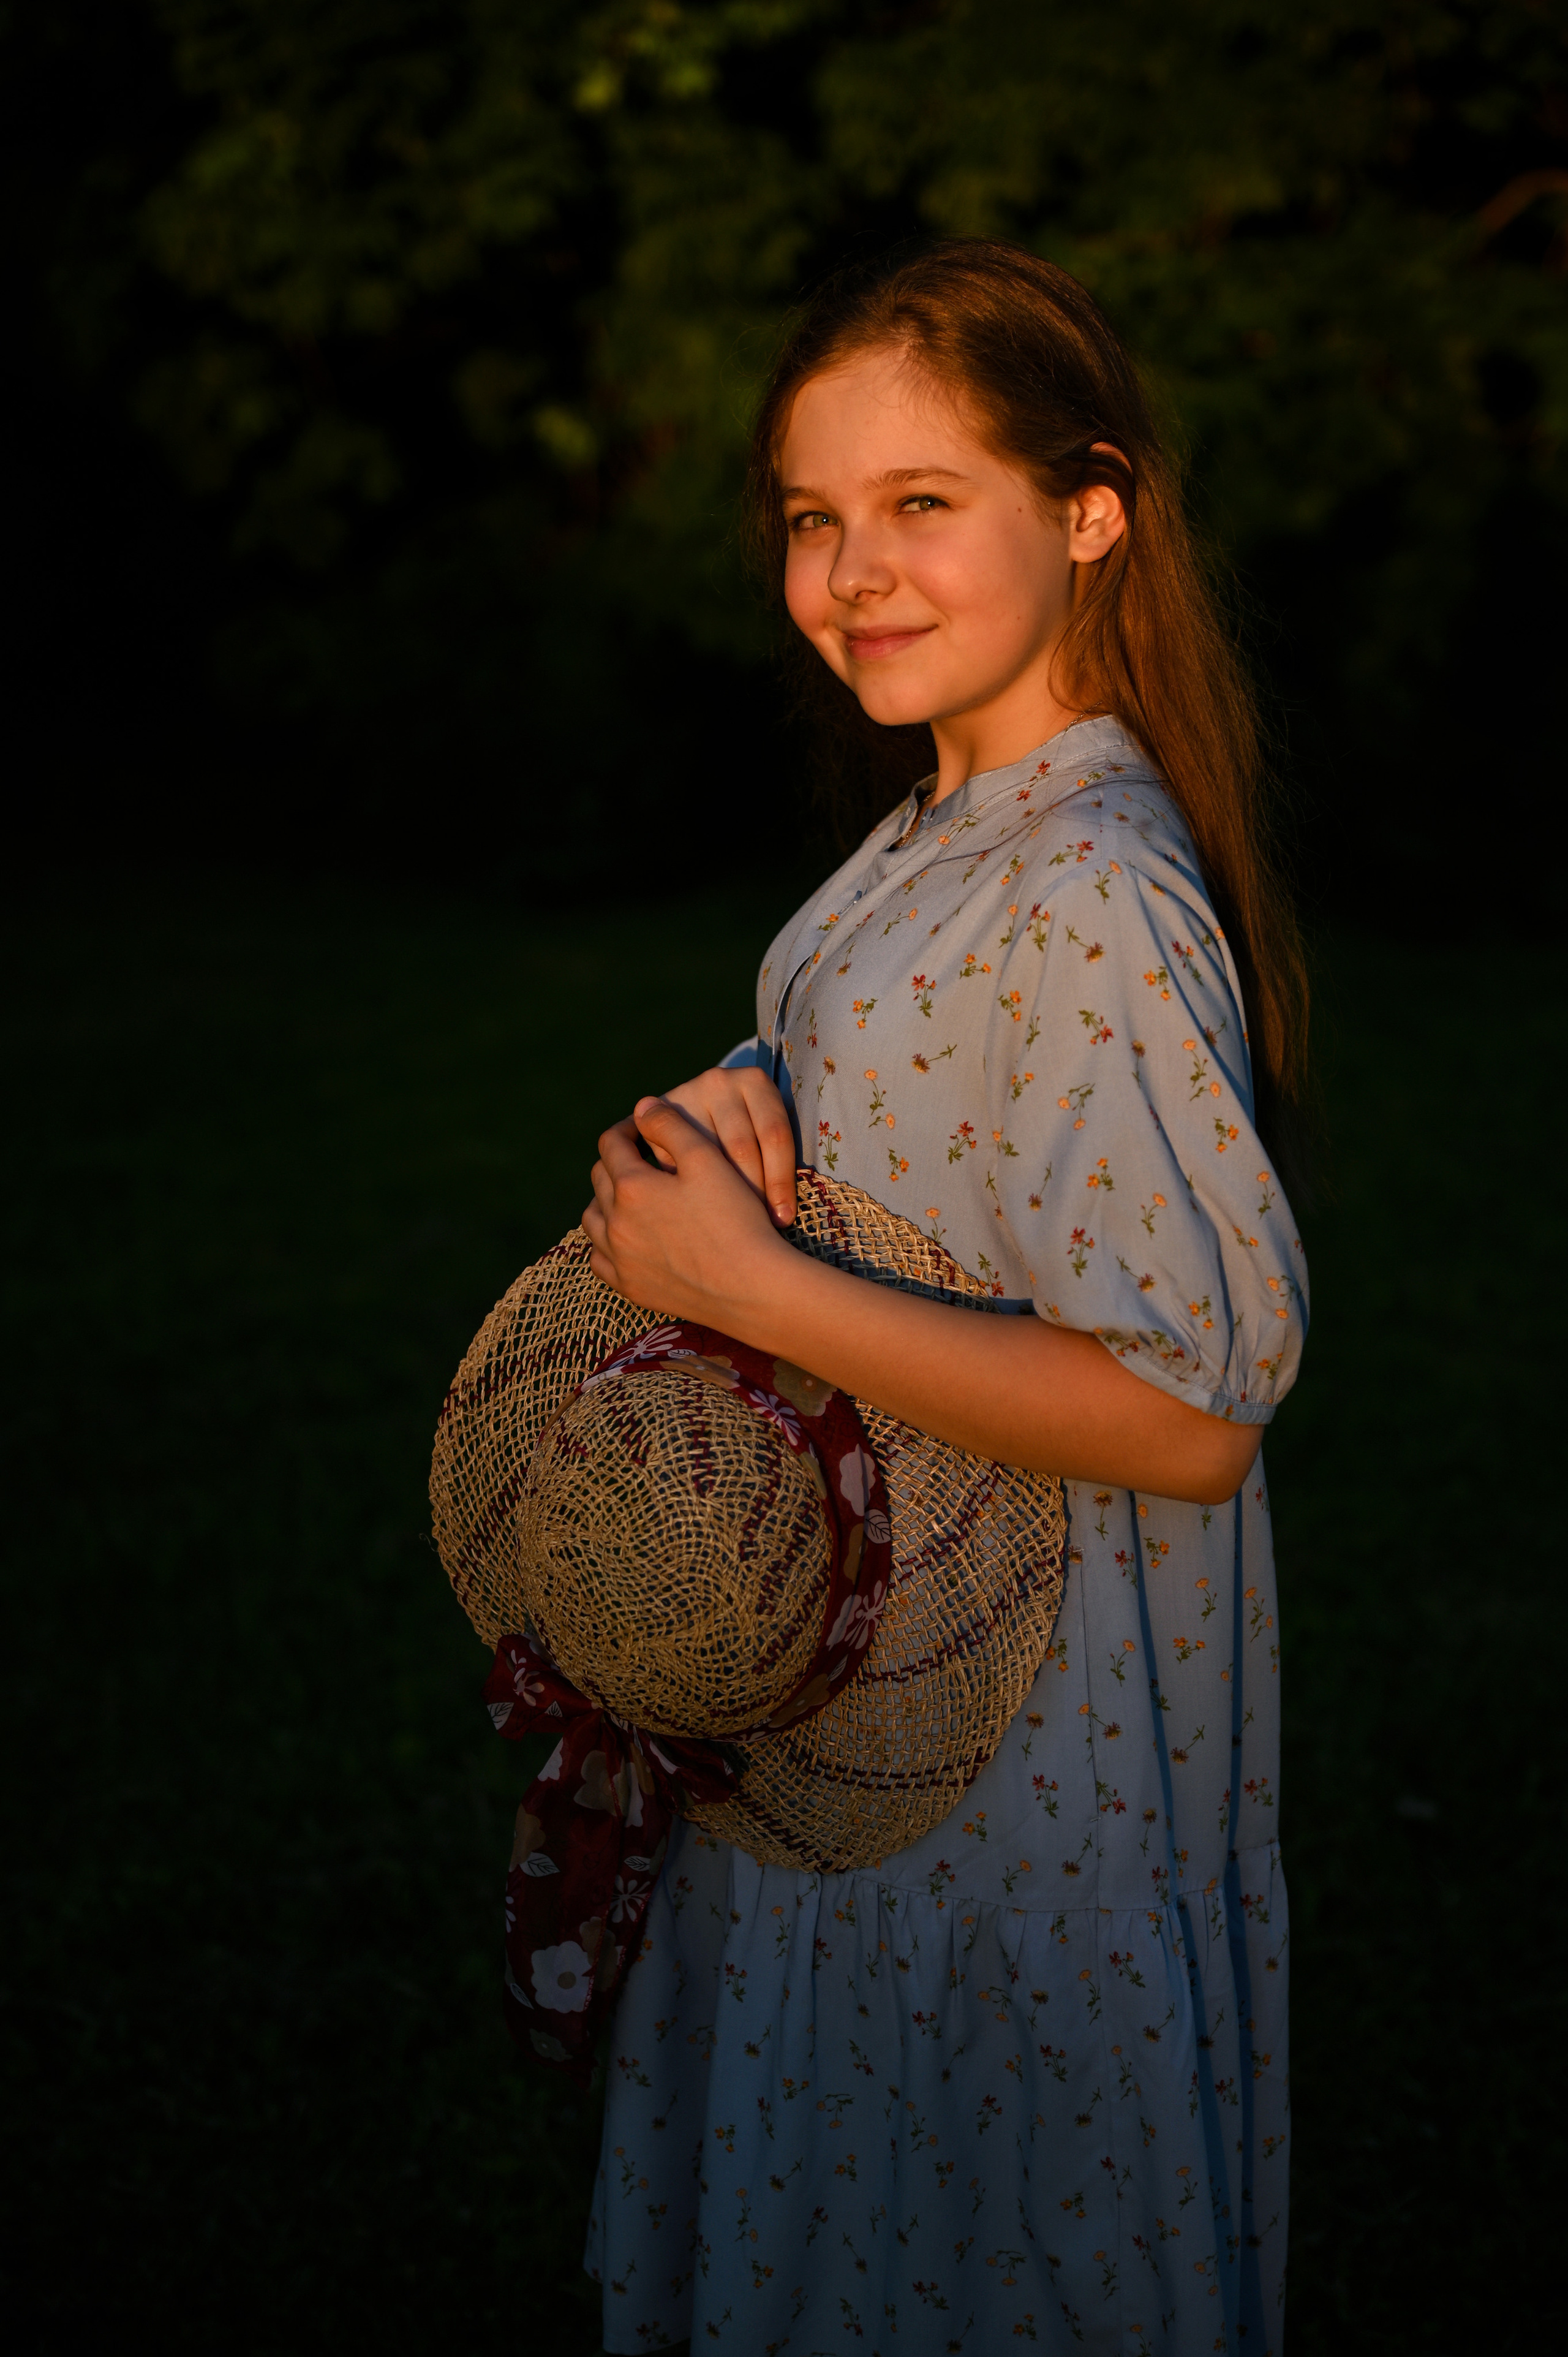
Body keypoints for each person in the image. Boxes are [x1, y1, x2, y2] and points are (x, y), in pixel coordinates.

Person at [578, 239, 1308, 2356]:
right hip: (882, 1669)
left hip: (1023, 1747)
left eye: (921, 506)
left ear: (1091, 509)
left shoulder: (1090, 880)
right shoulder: (958, 820)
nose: (851, 574)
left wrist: (753, 1288)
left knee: (977, 2237)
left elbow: (1193, 1411)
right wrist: (758, 1100)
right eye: (816, 519)